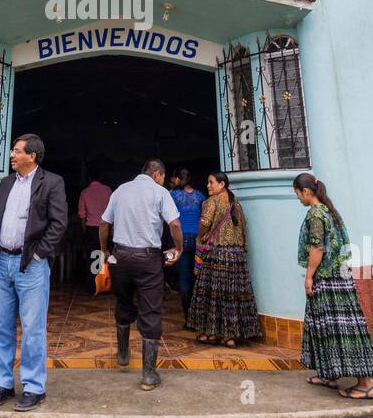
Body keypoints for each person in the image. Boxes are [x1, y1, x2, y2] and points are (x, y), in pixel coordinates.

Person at [0, 133, 67, 411]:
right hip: (3, 261)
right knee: (1, 326)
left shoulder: (52, 182)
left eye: (17, 151)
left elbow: (58, 223)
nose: (11, 155)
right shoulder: (6, 183)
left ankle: (33, 387)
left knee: (32, 328)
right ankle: (3, 384)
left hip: (31, 265)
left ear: (32, 156)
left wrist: (40, 253)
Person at [292, 172, 373, 399]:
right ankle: (328, 374)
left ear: (306, 192)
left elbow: (317, 248)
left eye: (297, 193)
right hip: (339, 277)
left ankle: (366, 384)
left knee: (343, 329)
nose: (297, 198)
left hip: (328, 278)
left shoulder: (315, 214)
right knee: (325, 327)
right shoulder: (328, 210)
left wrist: (309, 276)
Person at [99, 159, 183, 390]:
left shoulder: (120, 190)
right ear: (157, 174)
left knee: (124, 302)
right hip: (148, 259)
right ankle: (148, 375)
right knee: (151, 310)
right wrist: (179, 248)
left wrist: (105, 251)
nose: (164, 181)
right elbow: (174, 225)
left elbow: (104, 224)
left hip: (121, 257)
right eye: (163, 177)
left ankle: (123, 355)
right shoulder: (160, 192)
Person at [186, 170, 261, 347]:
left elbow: (204, 223)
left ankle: (210, 333)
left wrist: (199, 237)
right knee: (232, 297)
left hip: (216, 256)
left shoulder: (211, 202)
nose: (208, 185)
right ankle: (230, 336)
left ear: (222, 185)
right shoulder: (236, 203)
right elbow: (243, 227)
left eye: (211, 182)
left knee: (212, 296)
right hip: (236, 257)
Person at [168, 168, 205, 325]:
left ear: (177, 179)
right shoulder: (200, 195)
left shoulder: (174, 195)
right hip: (198, 240)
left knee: (184, 280)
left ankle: (189, 319)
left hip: (181, 241)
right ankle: (201, 317)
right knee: (199, 278)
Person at [77, 174, 113, 284]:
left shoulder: (84, 192)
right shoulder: (107, 190)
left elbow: (82, 215)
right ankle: (105, 284)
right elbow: (112, 212)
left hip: (91, 230)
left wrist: (85, 231)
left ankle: (93, 285)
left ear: (89, 178)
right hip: (105, 227)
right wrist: (111, 229)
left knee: (93, 257)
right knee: (105, 255)